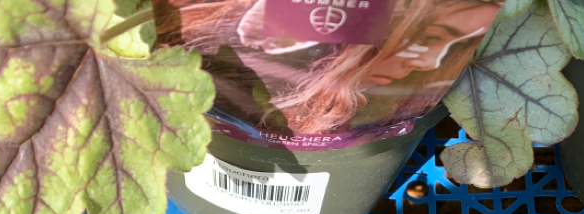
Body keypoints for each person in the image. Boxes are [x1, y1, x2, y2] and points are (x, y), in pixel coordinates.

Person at [154, 0, 503, 134]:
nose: (428, 62)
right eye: (432, 37)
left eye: (459, 46)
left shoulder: (391, 103)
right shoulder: (217, 39)